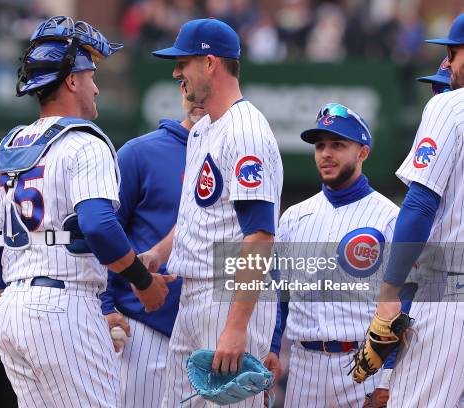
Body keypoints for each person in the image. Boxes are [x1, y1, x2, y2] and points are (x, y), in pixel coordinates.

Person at [0, 16, 174, 408]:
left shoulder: (8, 147)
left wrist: (2, 326)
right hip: (64, 304)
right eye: (90, 75)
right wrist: (142, 281)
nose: (96, 86)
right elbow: (99, 226)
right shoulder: (84, 143)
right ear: (70, 80)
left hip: (13, 306)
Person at [145, 18, 283, 407]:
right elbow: (196, 215)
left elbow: (259, 235)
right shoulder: (204, 129)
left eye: (183, 63)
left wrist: (236, 327)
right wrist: (158, 252)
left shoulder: (246, 132)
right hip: (194, 294)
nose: (176, 73)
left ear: (210, 63)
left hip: (227, 294)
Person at [352, 12, 464, 407]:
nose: (448, 64)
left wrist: (389, 291)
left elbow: (420, 202)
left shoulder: (451, 105)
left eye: (453, 52)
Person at [271, 103, 412, 407]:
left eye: (338, 144)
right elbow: (279, 294)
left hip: (364, 366)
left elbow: (408, 299)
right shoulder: (294, 217)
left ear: (363, 152)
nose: (326, 153)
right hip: (304, 365)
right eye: (320, 145)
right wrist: (271, 348)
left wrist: (387, 378)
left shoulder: (390, 217)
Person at [100, 82, 204, 408]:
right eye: (189, 87)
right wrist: (103, 305)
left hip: (211, 336)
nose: (196, 98)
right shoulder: (139, 152)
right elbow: (100, 233)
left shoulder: (237, 159)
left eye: (206, 89)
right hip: (144, 331)